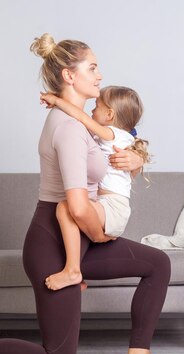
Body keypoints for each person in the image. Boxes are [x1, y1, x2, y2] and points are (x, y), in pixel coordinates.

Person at [0, 33, 184, 354]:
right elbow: (77, 206)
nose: (99, 75)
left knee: (157, 263)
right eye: (93, 67)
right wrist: (97, 237)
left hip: (77, 240)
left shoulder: (80, 122)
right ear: (70, 75)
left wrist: (136, 161)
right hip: (54, 243)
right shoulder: (69, 128)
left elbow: (116, 146)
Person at [39, 86, 151, 291]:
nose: (92, 109)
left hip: (113, 208)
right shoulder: (117, 135)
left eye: (97, 106)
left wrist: (56, 100)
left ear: (110, 115)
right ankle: (78, 273)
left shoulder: (113, 134)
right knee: (75, 217)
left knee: (65, 209)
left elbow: (81, 117)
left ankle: (73, 270)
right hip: (108, 205)